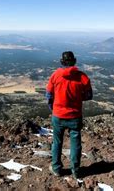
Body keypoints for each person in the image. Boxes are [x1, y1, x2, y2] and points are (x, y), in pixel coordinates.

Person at [45, 51, 93, 179]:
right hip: (75, 116)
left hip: (58, 115)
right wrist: (77, 98)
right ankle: (76, 171)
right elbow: (89, 95)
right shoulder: (82, 77)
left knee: (57, 142)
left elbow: (49, 96)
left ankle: (56, 169)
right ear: (74, 61)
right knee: (76, 144)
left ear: (62, 62)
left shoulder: (55, 75)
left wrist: (54, 109)